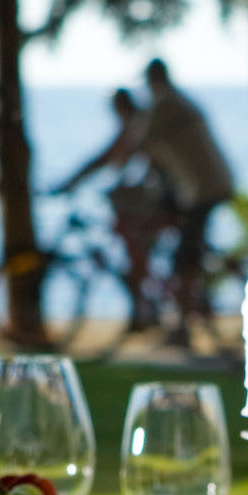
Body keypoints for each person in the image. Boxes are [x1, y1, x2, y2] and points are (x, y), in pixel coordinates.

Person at [136, 59, 236, 343]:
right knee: (184, 246)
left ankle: (181, 324)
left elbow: (133, 146)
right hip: (204, 186)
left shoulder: (165, 105)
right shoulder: (179, 101)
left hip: (201, 190)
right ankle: (184, 309)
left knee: (185, 258)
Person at [58, 89, 169, 333]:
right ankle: (144, 307)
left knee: (133, 243)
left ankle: (145, 307)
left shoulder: (137, 128)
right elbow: (114, 161)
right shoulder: (138, 126)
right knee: (132, 246)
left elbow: (106, 158)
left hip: (163, 199)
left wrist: (69, 183)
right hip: (159, 197)